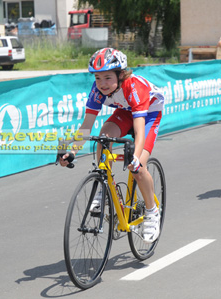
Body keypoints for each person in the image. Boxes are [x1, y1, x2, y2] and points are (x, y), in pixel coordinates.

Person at [58, 48, 165, 244]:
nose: (102, 84)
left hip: (148, 113)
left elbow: (139, 132)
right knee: (103, 137)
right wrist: (72, 152)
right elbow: (86, 126)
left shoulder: (134, 87)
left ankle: (152, 212)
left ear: (121, 74)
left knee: (138, 168)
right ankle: (102, 189)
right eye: (98, 78)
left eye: (108, 77)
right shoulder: (96, 91)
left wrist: (136, 157)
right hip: (125, 112)